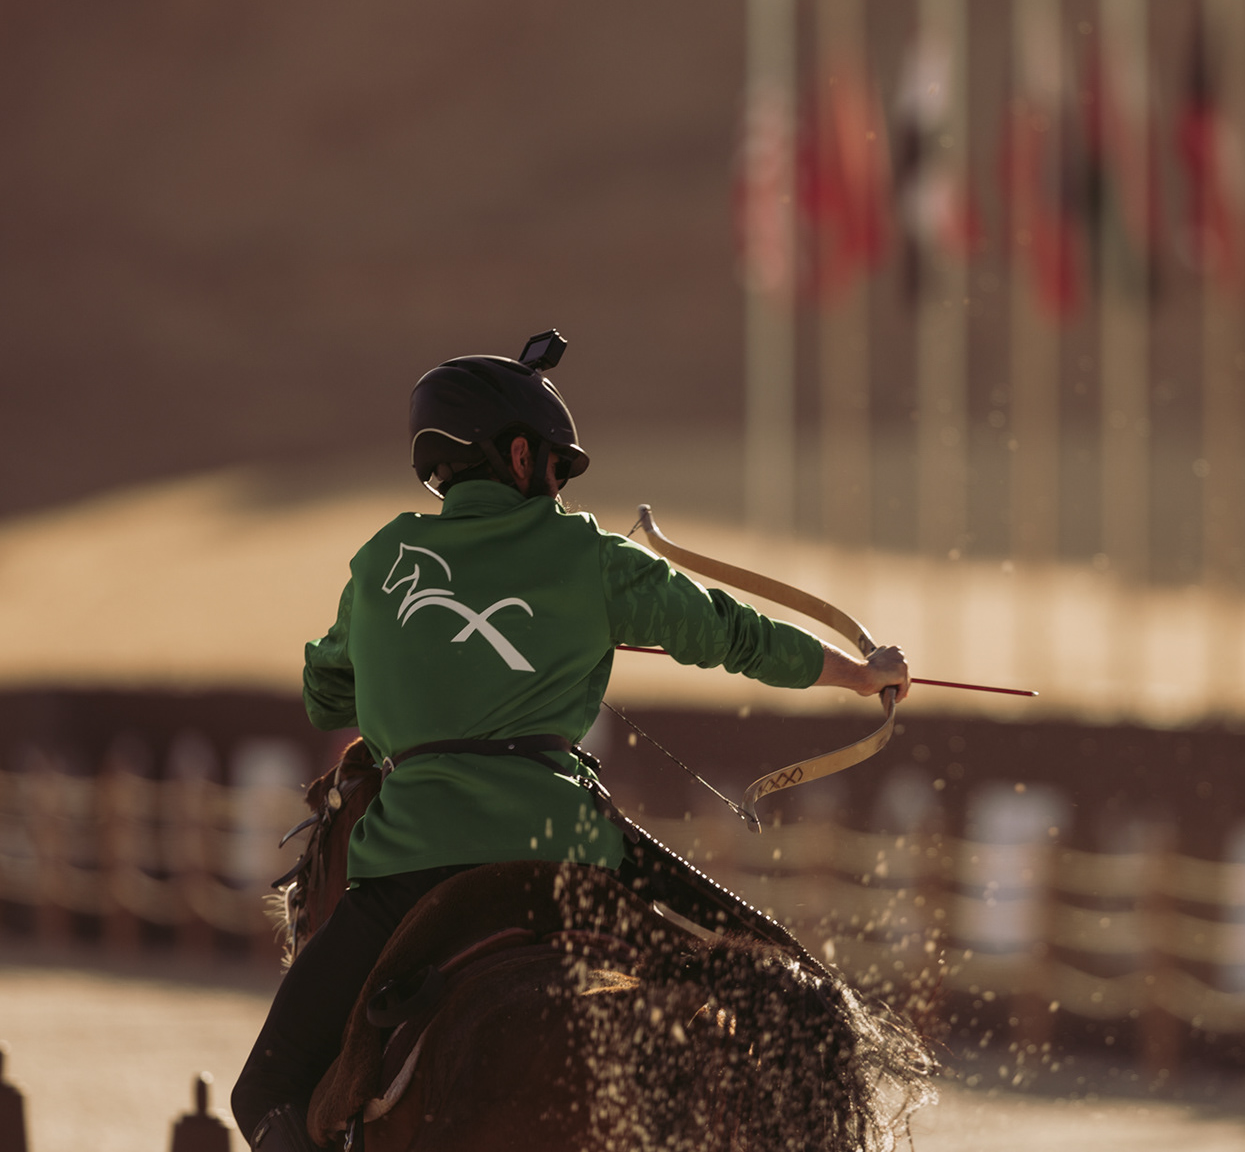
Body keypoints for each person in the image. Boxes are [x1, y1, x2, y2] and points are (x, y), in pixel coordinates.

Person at [233, 330, 909, 1151]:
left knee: (262, 1089)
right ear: (520, 455)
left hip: (408, 867)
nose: (558, 486)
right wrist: (860, 673)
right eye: (558, 466)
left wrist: (404, 664)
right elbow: (732, 632)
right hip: (572, 858)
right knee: (793, 983)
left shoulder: (383, 562)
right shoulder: (586, 553)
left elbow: (322, 694)